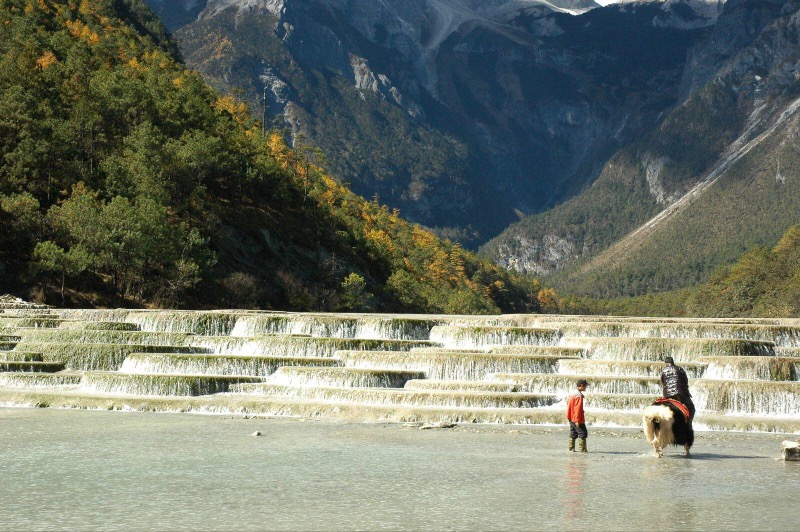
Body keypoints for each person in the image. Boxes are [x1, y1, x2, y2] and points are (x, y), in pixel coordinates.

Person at [566, 378, 589, 452]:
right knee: (582, 433)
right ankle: (583, 450)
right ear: (581, 385)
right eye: (585, 386)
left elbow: (568, 403)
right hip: (577, 418)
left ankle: (571, 449)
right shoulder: (578, 395)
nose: (586, 388)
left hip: (570, 416)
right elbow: (577, 409)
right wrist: (577, 420)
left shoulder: (572, 393)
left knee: (573, 433)